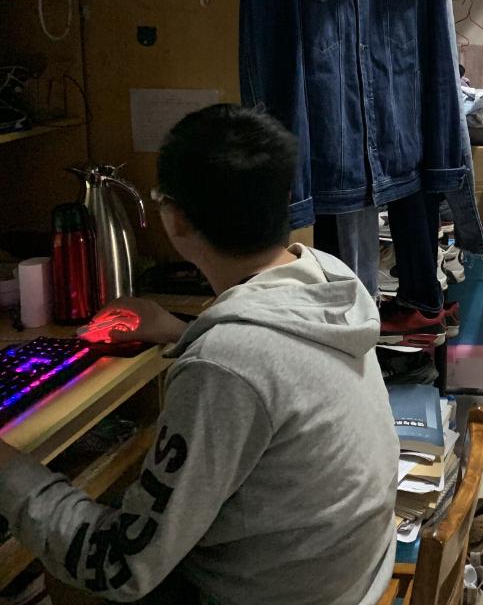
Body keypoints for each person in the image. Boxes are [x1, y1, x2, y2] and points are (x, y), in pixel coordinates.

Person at [0, 105, 399, 605]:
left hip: (279, 594)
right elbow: (274, 368)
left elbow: (119, 567)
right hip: (351, 576)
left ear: (175, 219)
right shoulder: (327, 277)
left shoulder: (228, 364)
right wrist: (179, 329)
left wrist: (7, 468)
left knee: (67, 567)